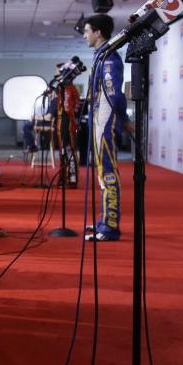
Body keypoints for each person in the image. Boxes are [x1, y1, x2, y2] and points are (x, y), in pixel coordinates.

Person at [84, 14, 126, 241]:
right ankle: (104, 220)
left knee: (107, 172)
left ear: (98, 32)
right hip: (98, 122)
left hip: (105, 124)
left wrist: (116, 123)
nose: (84, 35)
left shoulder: (109, 57)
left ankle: (110, 224)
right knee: (102, 172)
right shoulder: (100, 55)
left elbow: (114, 95)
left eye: (87, 30)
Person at [53, 70, 80, 188]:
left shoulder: (68, 89)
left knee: (67, 151)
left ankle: (70, 178)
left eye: (57, 72)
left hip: (66, 124)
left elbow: (68, 109)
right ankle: (67, 178)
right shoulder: (66, 89)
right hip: (64, 122)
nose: (55, 75)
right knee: (65, 152)